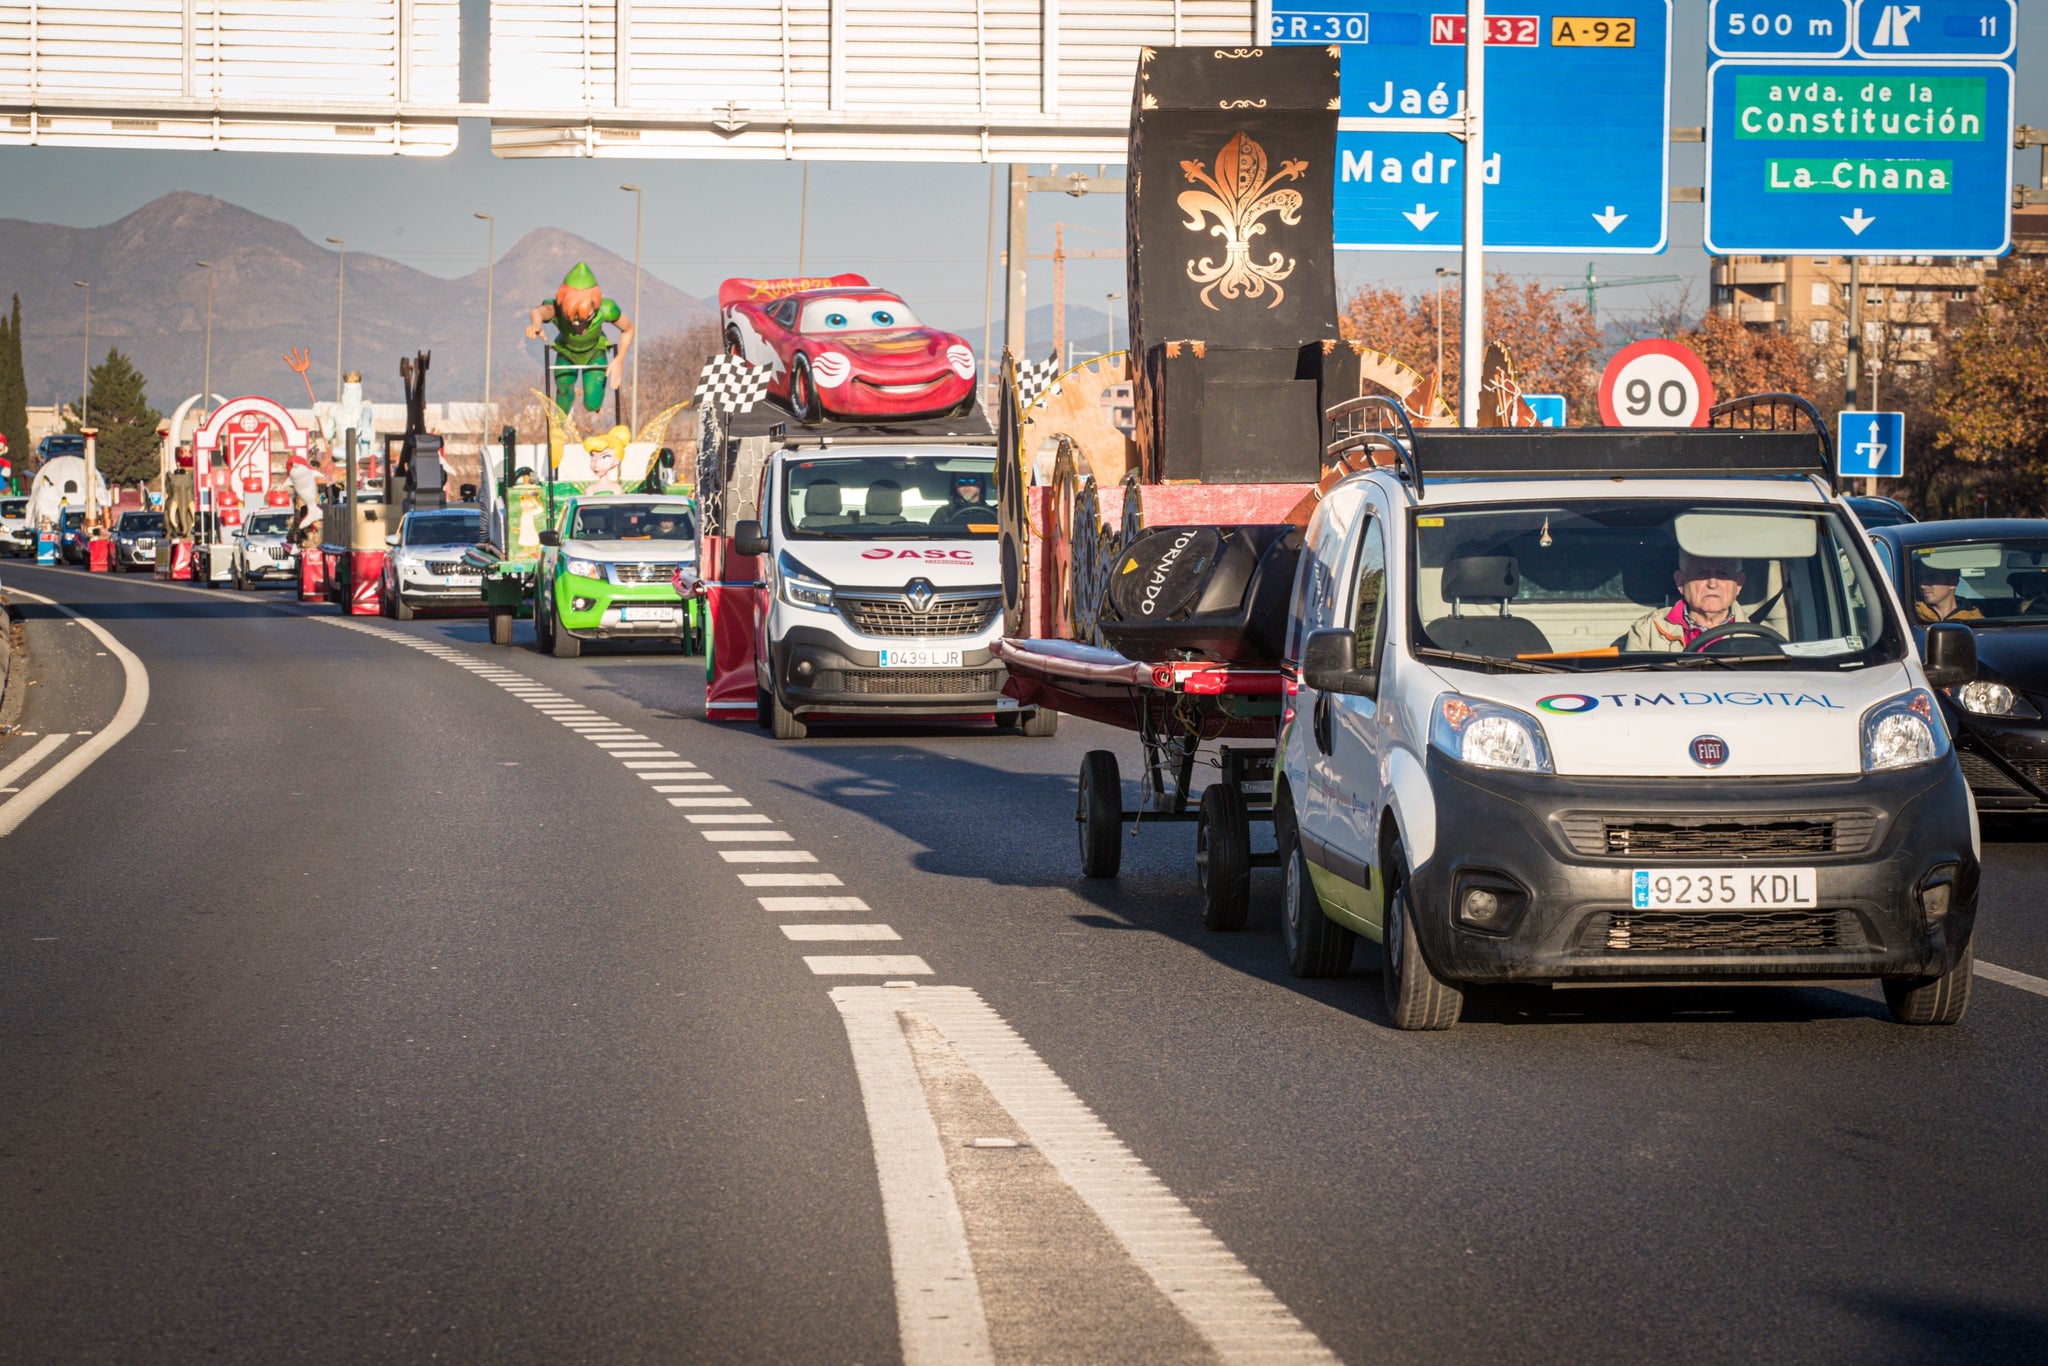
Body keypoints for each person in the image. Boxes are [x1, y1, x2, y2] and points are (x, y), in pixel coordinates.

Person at [1626, 551, 1749, 652]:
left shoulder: (1762, 634)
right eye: (1702, 573)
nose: (1712, 584)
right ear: (1681, 582)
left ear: (1738, 584)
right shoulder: (1648, 629)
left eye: (1723, 574)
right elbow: (1634, 679)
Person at [1915, 563, 1983, 622]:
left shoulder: (1975, 620)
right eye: (1920, 578)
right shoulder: (1910, 616)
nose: (1922, 585)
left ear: (1953, 583)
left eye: (1932, 577)